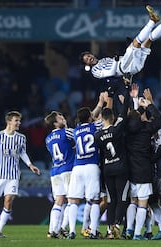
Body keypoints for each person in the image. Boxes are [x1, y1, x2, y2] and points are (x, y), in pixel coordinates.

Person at [0, 111, 41, 238]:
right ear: (9, 121)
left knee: (8, 201)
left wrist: (30, 165)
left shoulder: (21, 138)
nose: (19, 123)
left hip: (13, 175)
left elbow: (22, 153)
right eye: (16, 120)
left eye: (19, 121)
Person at [79, 4, 161, 80]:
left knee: (148, 40)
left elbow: (117, 60)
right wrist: (117, 60)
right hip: (125, 67)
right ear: (87, 64)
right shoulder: (95, 71)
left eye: (88, 56)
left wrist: (123, 54)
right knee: (136, 42)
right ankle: (152, 21)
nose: (89, 58)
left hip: (131, 65)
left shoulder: (103, 60)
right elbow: (111, 73)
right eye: (86, 59)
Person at [125, 88, 161, 240]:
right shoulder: (146, 129)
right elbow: (159, 120)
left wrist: (136, 103)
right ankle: (137, 233)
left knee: (133, 201)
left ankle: (128, 229)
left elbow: (133, 117)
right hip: (144, 170)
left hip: (131, 170)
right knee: (142, 203)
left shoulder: (126, 130)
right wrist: (148, 105)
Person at [66, 93, 105, 239]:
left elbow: (88, 118)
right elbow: (102, 119)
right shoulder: (95, 126)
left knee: (74, 201)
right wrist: (102, 102)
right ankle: (93, 231)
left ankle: (71, 231)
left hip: (77, 167)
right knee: (94, 200)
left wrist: (98, 104)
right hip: (91, 166)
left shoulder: (75, 131)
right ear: (90, 118)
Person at [94, 82, 131, 239]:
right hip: (121, 167)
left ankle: (109, 231)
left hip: (107, 169)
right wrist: (126, 93)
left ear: (102, 118)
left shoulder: (97, 135)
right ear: (113, 117)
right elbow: (124, 111)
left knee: (111, 200)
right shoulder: (117, 129)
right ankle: (116, 225)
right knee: (122, 198)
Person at [44, 111, 75, 238]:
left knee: (58, 201)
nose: (63, 118)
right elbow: (78, 138)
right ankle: (62, 227)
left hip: (55, 171)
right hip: (67, 169)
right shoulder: (66, 132)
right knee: (71, 200)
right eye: (60, 118)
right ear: (56, 123)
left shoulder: (47, 139)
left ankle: (52, 230)